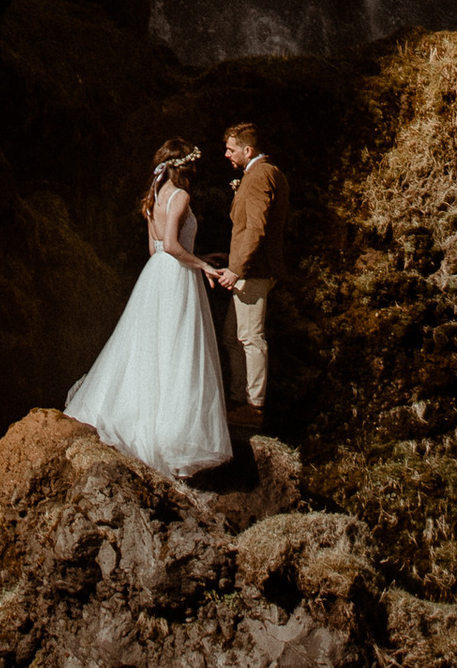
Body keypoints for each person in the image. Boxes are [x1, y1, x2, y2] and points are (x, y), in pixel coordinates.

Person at [62, 140, 234, 479]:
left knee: (149, 350)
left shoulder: (154, 197)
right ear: (185, 167)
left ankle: (142, 423)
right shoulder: (181, 196)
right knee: (177, 353)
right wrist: (202, 266)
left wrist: (199, 257)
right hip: (176, 279)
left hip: (155, 277)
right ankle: (172, 438)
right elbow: (171, 246)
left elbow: (155, 250)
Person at [212, 119, 288, 429]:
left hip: (253, 271)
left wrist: (236, 269)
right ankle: (238, 398)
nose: (226, 155)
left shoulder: (259, 176)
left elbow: (257, 228)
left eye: (230, 150)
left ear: (248, 149)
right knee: (233, 336)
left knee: (250, 337)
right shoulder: (259, 174)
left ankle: (253, 407)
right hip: (249, 270)